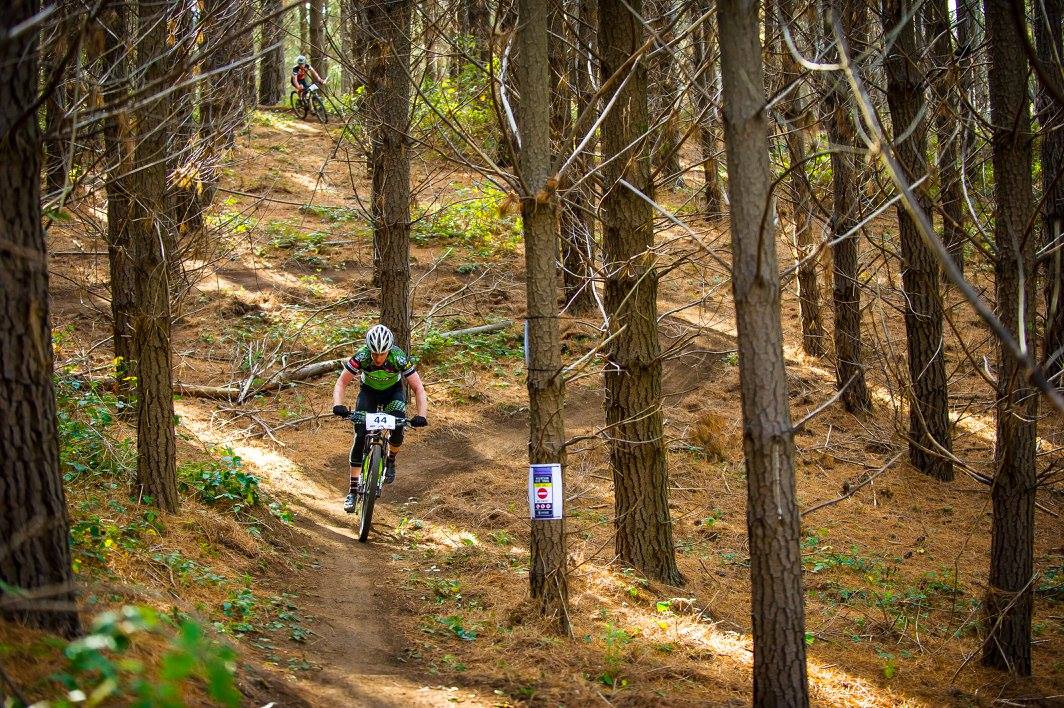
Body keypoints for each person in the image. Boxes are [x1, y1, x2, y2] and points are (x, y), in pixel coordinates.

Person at [332, 324, 428, 513]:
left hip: (393, 393)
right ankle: (352, 491)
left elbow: (418, 388)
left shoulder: (399, 357)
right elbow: (341, 382)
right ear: (369, 349)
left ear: (389, 350)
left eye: (382, 354)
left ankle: (391, 460)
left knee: (398, 427)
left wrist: (421, 415)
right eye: (374, 354)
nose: (377, 358)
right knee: (360, 435)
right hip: (368, 393)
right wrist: (338, 405)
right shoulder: (361, 356)